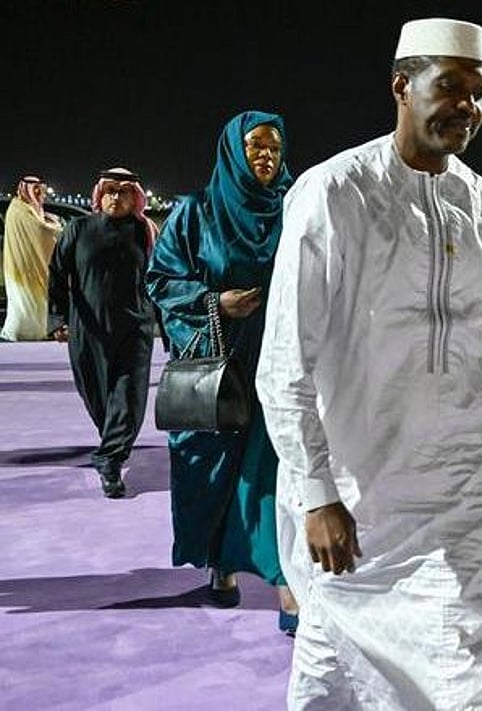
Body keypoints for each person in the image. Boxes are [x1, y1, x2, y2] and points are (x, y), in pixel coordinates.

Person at [255, 18, 482, 709]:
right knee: (334, 666)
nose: (467, 106)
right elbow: (285, 359)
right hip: (357, 494)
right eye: (451, 87)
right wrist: (316, 491)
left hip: (460, 495)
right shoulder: (333, 193)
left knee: (477, 674)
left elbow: (470, 359)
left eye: (480, 93)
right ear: (402, 86)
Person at [146, 111, 298, 633]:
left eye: (274, 147)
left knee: (272, 471)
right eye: (255, 146)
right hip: (218, 362)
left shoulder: (294, 207)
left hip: (277, 362)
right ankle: (221, 562)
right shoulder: (197, 212)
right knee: (215, 471)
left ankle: (285, 583)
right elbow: (161, 279)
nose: (266, 156)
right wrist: (215, 302)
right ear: (234, 150)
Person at [48, 168, 157, 498]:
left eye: (123, 192)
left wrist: (167, 326)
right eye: (110, 190)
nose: (115, 197)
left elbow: (159, 279)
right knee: (97, 397)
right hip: (88, 330)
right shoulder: (79, 229)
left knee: (128, 398)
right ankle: (113, 443)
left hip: (134, 330)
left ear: (134, 197)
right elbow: (58, 273)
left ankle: (110, 461)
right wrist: (58, 319)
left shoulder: (144, 233)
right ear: (99, 194)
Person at [2, 176, 63, 341]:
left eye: (40, 190)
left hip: (33, 266)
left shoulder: (33, 210)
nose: (38, 193)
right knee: (25, 301)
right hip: (23, 268)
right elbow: (42, 231)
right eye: (34, 189)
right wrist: (58, 227)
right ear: (25, 189)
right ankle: (27, 333)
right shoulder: (19, 210)